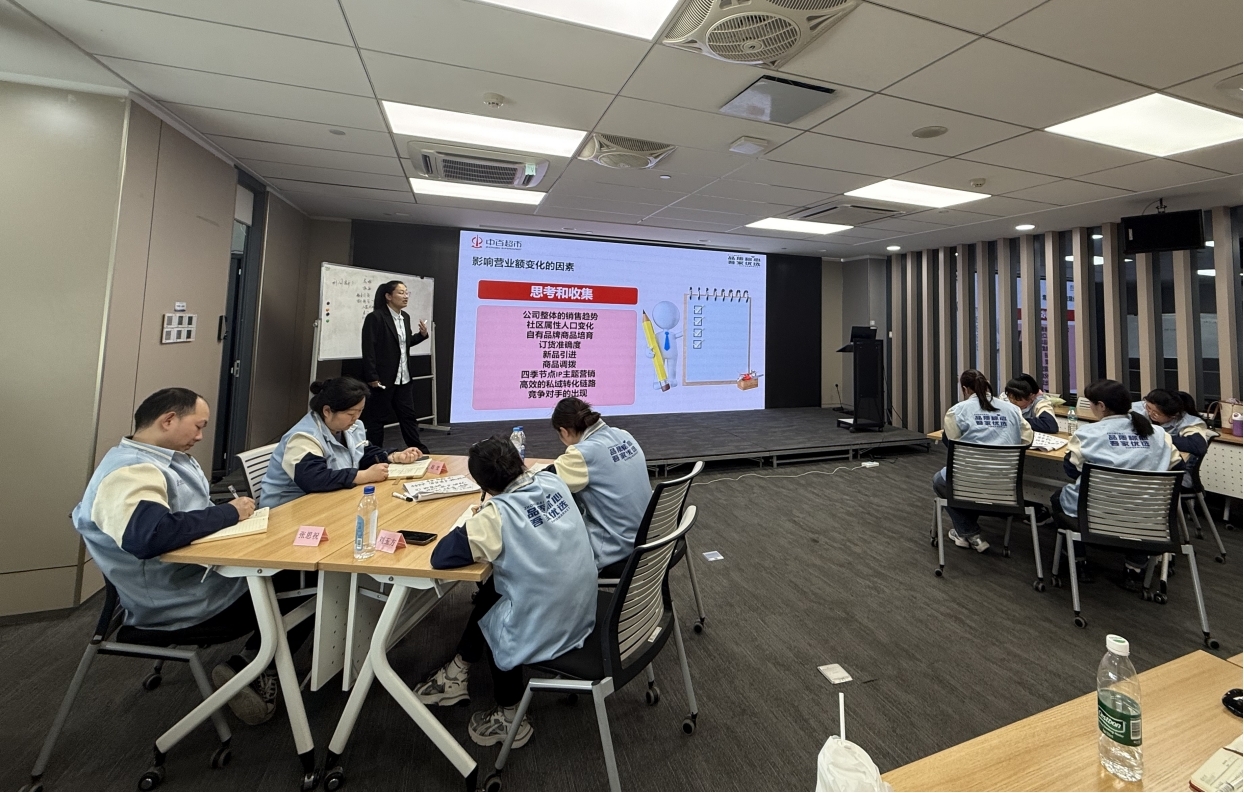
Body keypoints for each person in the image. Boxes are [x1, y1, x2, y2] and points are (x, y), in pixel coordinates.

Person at [72, 388, 312, 725]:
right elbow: (149, 536)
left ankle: (252, 663)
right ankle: (255, 668)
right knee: (309, 582)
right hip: (180, 602)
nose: (200, 436)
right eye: (198, 426)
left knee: (299, 570)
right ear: (168, 420)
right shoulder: (130, 471)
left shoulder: (163, 460)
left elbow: (183, 518)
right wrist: (229, 512)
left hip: (201, 576)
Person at [413, 437, 597, 749]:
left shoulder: (496, 515)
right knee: (492, 590)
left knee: (496, 615)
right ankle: (457, 671)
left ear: (484, 485)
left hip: (549, 623)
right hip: (583, 607)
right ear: (519, 462)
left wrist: (476, 519)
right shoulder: (553, 481)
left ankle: (510, 717)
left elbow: (442, 556)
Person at [1054, 379, 1182, 588]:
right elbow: (1177, 467)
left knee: (1058, 498)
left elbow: (1071, 470)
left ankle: (1077, 561)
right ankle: (1135, 567)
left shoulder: (1087, 434)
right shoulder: (1159, 434)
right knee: (1135, 506)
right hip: (1148, 518)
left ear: (1101, 406)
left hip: (1096, 514)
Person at [259, 377, 423, 509]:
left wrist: (393, 456)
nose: (356, 418)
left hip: (326, 500)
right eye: (351, 413)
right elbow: (314, 479)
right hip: (288, 509)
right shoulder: (303, 437)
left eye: (360, 412)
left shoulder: (350, 426)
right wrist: (364, 476)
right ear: (327, 411)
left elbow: (362, 453)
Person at [933, 369, 1034, 553]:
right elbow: (1027, 440)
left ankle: (969, 532)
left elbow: (953, 443)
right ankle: (968, 533)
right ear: (987, 385)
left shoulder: (957, 411)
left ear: (965, 389)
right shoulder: (1013, 410)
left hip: (967, 482)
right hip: (1005, 487)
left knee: (940, 481)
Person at [545, 397, 651, 571]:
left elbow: (546, 482)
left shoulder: (583, 453)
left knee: (549, 546)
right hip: (648, 536)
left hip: (616, 548)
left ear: (564, 431)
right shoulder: (623, 434)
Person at [360, 280, 429, 453]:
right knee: (378, 419)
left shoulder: (405, 317)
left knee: (408, 416)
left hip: (404, 378)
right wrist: (372, 376)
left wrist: (421, 335)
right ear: (388, 296)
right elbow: (368, 349)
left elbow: (403, 343)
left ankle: (418, 448)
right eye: (401, 292)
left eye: (406, 292)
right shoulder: (375, 318)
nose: (405, 296)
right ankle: (374, 453)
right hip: (383, 378)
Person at [1135, 388, 1214, 489]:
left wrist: (1159, 437)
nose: (1149, 413)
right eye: (1148, 407)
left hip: (1173, 473)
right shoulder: (1141, 409)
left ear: (1173, 416)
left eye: (1156, 413)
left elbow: (1198, 446)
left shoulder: (1187, 421)